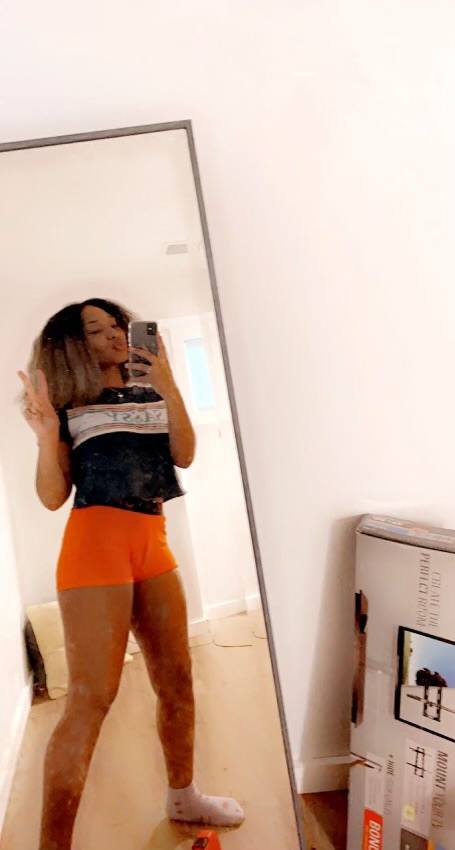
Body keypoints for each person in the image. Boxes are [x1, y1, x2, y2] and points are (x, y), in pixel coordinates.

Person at [18, 297, 245, 850]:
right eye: (96, 330)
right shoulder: (70, 406)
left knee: (177, 679)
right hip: (95, 547)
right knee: (91, 700)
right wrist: (46, 437)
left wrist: (168, 382)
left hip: (152, 541)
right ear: (75, 345)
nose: (115, 334)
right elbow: (52, 496)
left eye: (116, 324)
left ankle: (183, 796)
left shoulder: (151, 391)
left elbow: (184, 454)